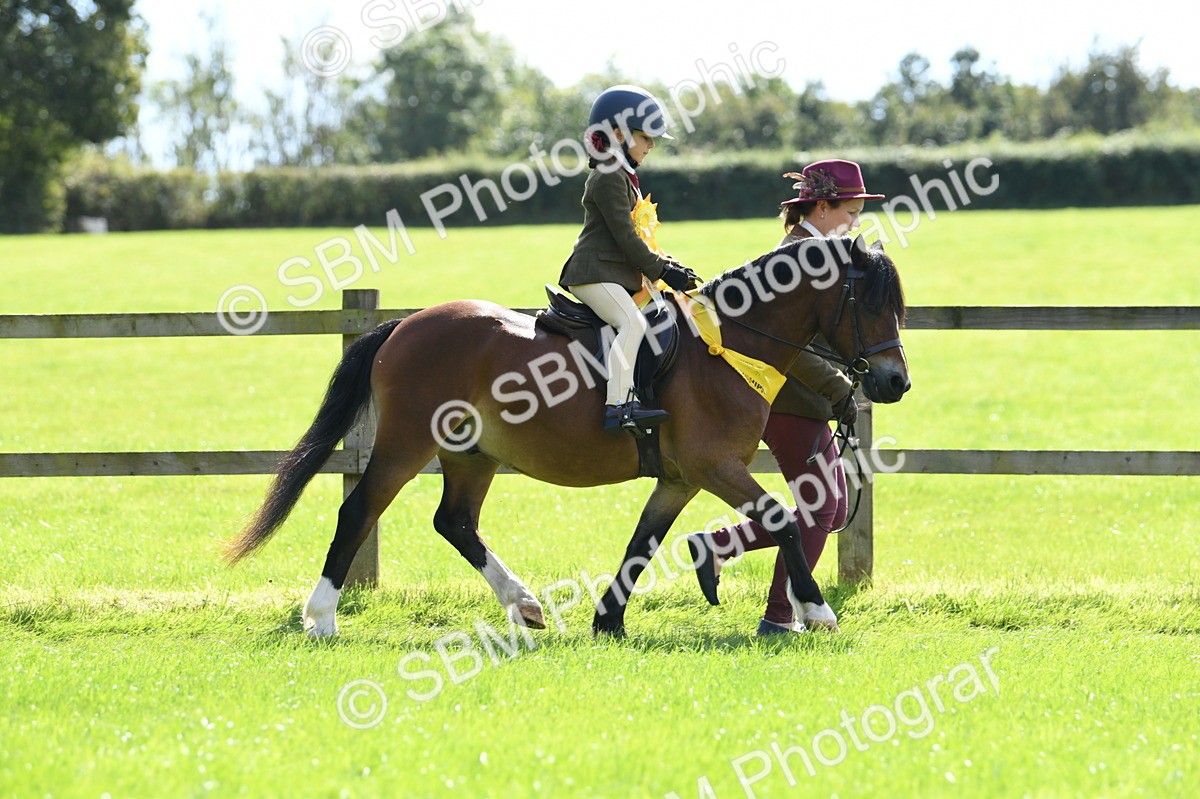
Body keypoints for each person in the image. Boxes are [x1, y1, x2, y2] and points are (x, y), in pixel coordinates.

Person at [685, 159, 885, 635]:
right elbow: (790, 353)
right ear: (820, 207)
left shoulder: (815, 256)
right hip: (792, 400)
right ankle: (778, 617)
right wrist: (837, 389)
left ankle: (718, 546)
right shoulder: (797, 259)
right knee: (821, 508)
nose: (855, 223)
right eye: (851, 211)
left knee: (830, 509)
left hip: (802, 401)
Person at [559, 85, 700, 436]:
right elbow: (625, 237)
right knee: (632, 323)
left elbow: (640, 237)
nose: (651, 145)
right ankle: (618, 406)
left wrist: (672, 266)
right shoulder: (608, 175)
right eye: (645, 137)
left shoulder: (623, 174)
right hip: (594, 272)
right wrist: (662, 269)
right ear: (618, 133)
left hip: (614, 273)